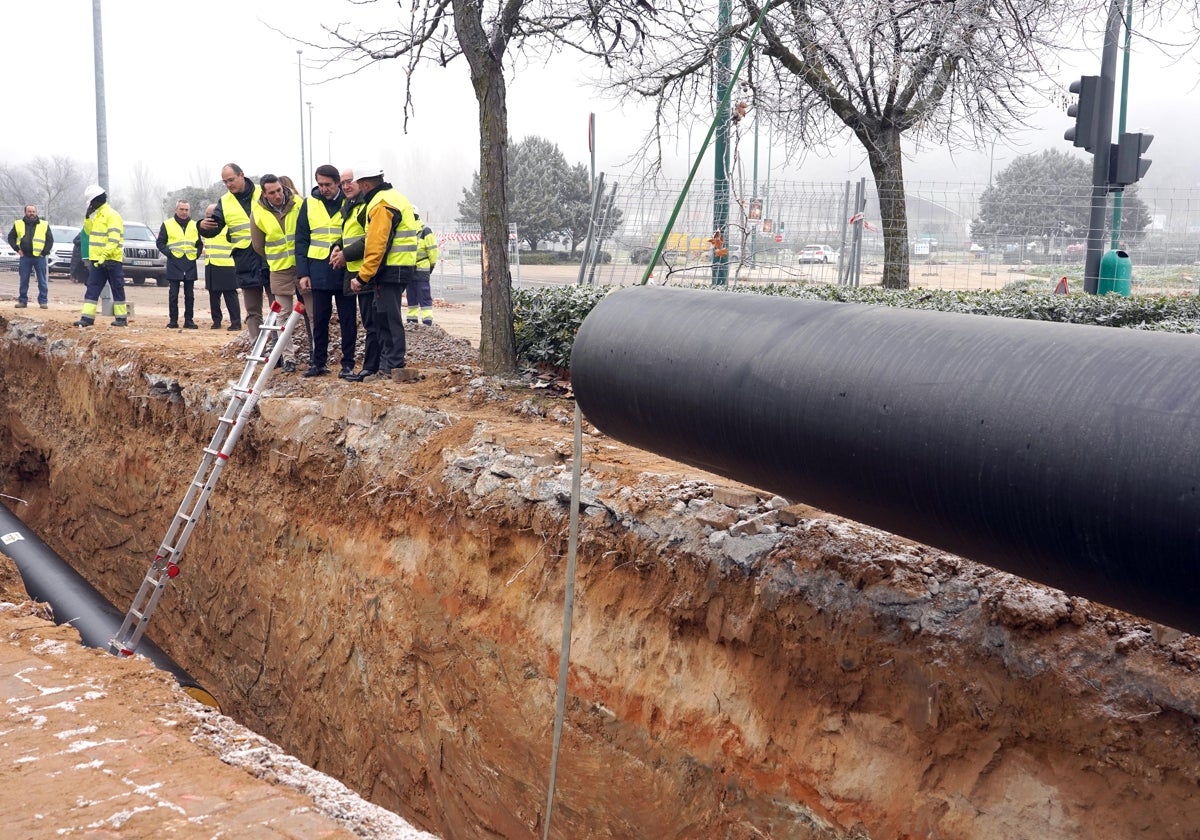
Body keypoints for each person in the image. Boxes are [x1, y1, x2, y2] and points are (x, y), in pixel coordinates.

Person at [346, 165, 420, 382]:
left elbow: (376, 245)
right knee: (384, 315)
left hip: (392, 268)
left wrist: (362, 276)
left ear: (366, 185)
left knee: (388, 317)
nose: (356, 189)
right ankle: (388, 366)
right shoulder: (394, 197)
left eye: (358, 185)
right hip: (398, 267)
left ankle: (393, 366)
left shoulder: (380, 204)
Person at [296, 165, 354, 378]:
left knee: (348, 319)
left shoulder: (349, 201)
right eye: (320, 184)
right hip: (318, 269)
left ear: (338, 182)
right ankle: (318, 363)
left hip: (344, 269)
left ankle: (348, 364)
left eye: (328, 185)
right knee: (319, 320)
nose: (323, 189)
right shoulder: (309, 204)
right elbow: (301, 239)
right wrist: (303, 273)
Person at [199, 163, 268, 339]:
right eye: (225, 182)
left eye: (231, 180)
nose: (229, 185)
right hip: (245, 260)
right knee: (253, 312)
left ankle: (280, 353)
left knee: (277, 310)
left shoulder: (263, 191)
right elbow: (215, 226)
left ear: (242, 175)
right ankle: (258, 350)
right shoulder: (225, 201)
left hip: (270, 258)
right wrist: (202, 226)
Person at [250, 173, 310, 373]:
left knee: (311, 311)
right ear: (264, 194)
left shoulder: (298, 204)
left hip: (303, 266)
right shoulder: (258, 212)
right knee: (282, 315)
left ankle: (317, 356)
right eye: (272, 193)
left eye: (279, 190)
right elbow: (258, 245)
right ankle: (288, 359)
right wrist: (275, 258)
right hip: (279, 270)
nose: (277, 195)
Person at [330, 168, 380, 382]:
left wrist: (345, 255)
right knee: (357, 321)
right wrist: (337, 246)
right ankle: (359, 366)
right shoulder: (348, 206)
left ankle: (372, 368)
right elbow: (349, 235)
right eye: (343, 183)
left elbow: (370, 238)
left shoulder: (368, 206)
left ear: (362, 183)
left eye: (350, 182)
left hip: (367, 272)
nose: (346, 186)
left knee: (372, 323)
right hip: (353, 271)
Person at [74, 185, 128, 327]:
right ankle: (87, 318)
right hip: (98, 260)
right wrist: (87, 218)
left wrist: (104, 256)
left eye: (92, 202)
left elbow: (114, 239)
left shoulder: (112, 215)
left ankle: (121, 319)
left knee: (117, 287)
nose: (91, 205)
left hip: (111, 260)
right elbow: (89, 232)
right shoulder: (98, 216)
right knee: (92, 287)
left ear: (97, 200)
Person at [156, 200, 202, 328]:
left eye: (186, 209)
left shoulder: (194, 225)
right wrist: (169, 254)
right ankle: (173, 321)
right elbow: (160, 242)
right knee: (173, 294)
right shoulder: (167, 224)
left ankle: (189, 321)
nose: (184, 212)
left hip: (190, 262)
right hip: (174, 262)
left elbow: (199, 244)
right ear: (176, 210)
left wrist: (196, 254)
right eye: (181, 209)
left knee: (190, 295)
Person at [201, 202, 241, 330]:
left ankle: (236, 322)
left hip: (226, 266)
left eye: (211, 214)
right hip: (211, 264)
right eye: (207, 215)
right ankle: (216, 321)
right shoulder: (206, 228)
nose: (209, 217)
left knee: (230, 296)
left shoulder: (227, 227)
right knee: (213, 296)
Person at [7, 205, 53, 309]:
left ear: (36, 212)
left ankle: (43, 301)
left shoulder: (44, 224)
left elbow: (50, 240)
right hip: (25, 257)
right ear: (25, 212)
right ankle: (23, 301)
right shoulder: (18, 224)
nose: (31, 213)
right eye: (29, 211)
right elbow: (11, 237)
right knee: (24, 279)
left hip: (39, 257)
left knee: (42, 280)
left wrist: (44, 252)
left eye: (33, 211)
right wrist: (17, 249)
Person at [407, 208, 438, 327]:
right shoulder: (416, 230)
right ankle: (423, 321)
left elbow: (432, 251)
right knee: (418, 295)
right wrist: (431, 266)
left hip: (414, 268)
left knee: (414, 295)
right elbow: (433, 252)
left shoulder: (424, 231)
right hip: (418, 268)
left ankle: (416, 321)